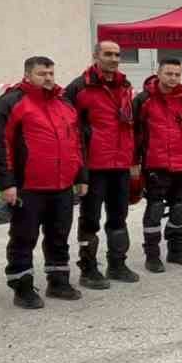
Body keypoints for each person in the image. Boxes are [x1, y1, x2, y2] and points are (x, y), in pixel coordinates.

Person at [0, 56, 86, 309]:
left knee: (59, 236)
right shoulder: (11, 102)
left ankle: (58, 281)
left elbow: (76, 141)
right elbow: (0, 146)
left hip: (62, 186)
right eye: (42, 73)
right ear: (28, 75)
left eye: (51, 73)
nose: (49, 78)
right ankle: (22, 287)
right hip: (28, 187)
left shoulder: (63, 102)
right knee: (24, 237)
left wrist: (81, 176)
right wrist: (7, 183)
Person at [65, 41, 139, 290]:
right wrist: (79, 171)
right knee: (90, 220)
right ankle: (88, 269)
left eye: (118, 54)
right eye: (108, 54)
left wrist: (133, 161)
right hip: (94, 166)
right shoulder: (79, 88)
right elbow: (70, 132)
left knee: (119, 217)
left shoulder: (125, 86)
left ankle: (117, 264)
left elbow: (130, 126)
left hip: (120, 164)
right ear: (96, 56)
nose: (114, 59)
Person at [134, 57, 182, 273]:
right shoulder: (143, 100)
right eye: (168, 73)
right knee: (155, 209)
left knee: (178, 208)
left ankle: (176, 250)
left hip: (181, 164)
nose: (173, 78)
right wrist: (135, 162)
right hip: (155, 164)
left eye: (177, 74)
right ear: (158, 73)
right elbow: (134, 134)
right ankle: (152, 256)